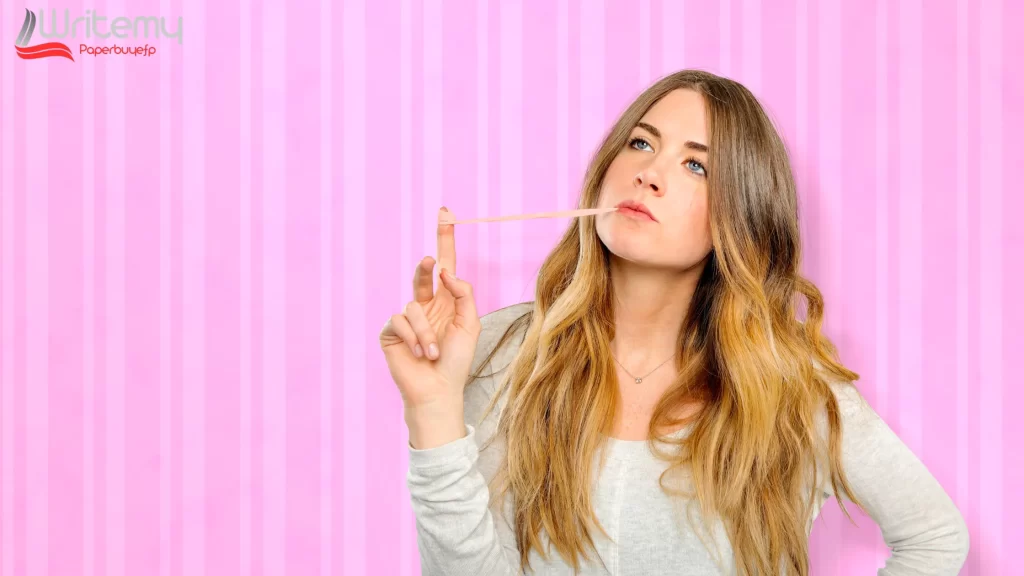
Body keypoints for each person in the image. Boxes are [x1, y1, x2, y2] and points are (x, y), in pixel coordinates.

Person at [379, 70, 969, 575]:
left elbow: (936, 538)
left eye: (695, 165)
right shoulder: (500, 350)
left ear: (740, 215)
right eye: (640, 144)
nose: (650, 173)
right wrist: (433, 409)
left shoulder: (791, 388)